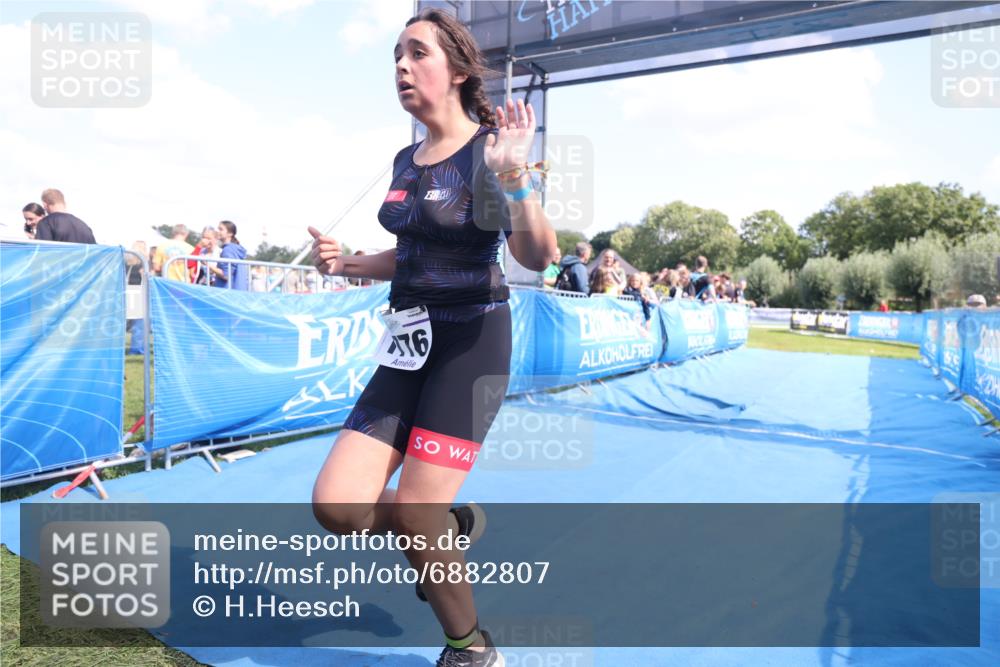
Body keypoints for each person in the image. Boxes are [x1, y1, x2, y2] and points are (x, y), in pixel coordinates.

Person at [308, 9, 556, 666]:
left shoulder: (490, 151)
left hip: (471, 344)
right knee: (335, 506)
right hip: (407, 341)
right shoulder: (404, 157)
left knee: (415, 516)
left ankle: (470, 647)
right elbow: (414, 251)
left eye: (417, 53)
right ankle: (448, 525)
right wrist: (348, 262)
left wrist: (513, 176)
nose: (401, 66)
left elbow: (537, 255)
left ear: (459, 70)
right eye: (396, 54)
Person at [210, 220, 249, 290]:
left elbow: (226, 275)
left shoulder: (228, 250)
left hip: (227, 293)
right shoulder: (234, 248)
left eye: (221, 229)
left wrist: (208, 265)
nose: (217, 231)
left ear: (230, 233)